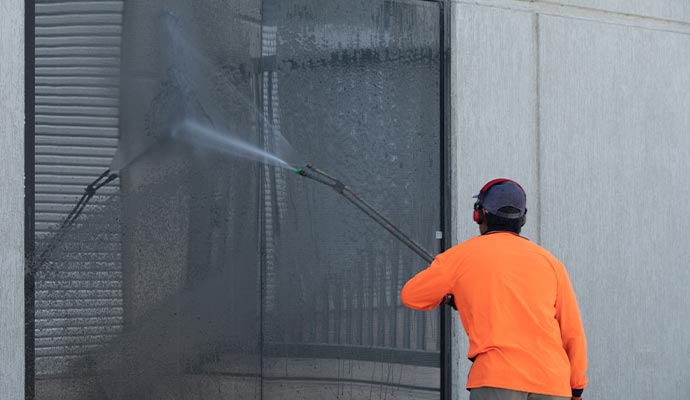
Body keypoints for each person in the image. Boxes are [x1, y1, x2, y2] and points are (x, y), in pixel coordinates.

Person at [401, 179, 587, 400]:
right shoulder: (550, 263)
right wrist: (576, 387)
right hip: (552, 382)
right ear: (522, 219)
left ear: (480, 215)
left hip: (496, 380)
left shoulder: (460, 257)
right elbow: (572, 332)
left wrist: (451, 296)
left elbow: (412, 295)